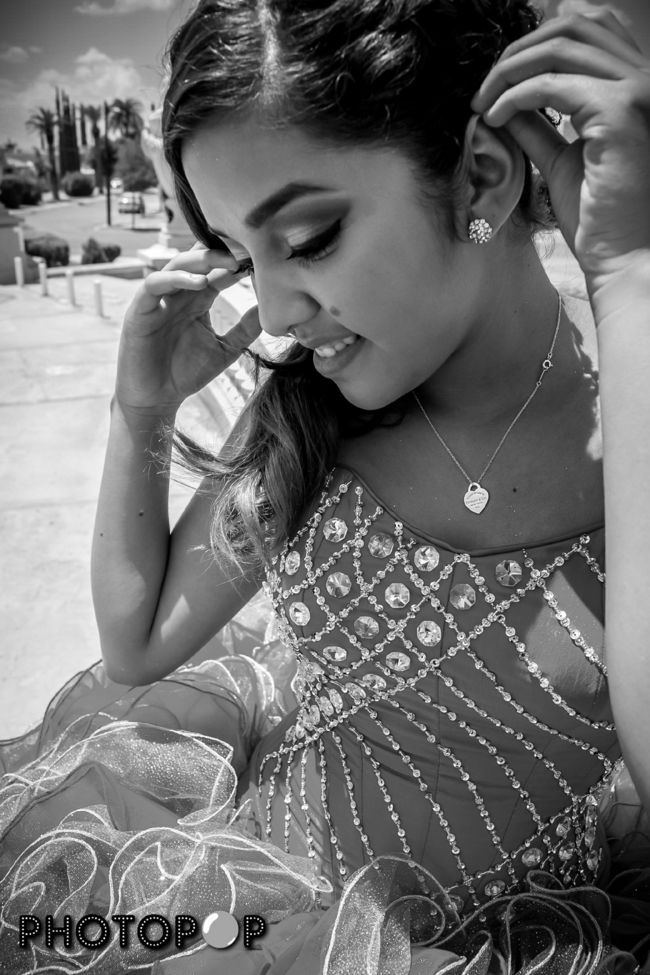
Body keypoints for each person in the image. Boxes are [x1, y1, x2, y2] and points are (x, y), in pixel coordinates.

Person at [2, 0, 650, 971]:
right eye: (242, 253)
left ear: (480, 175)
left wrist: (628, 275)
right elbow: (136, 644)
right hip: (246, 917)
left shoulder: (635, 411)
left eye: (306, 239)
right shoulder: (312, 410)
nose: (271, 310)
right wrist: (140, 409)